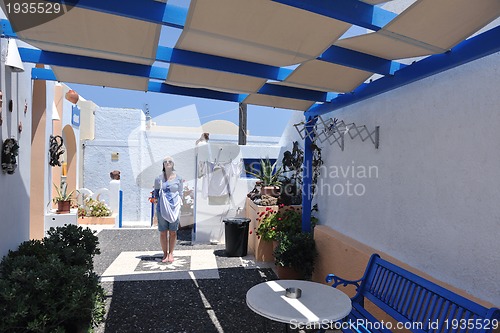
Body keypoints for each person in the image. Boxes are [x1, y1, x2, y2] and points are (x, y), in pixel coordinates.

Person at [153, 156, 183, 263]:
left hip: (174, 208)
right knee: (163, 232)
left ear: (173, 164)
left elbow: (180, 193)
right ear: (163, 165)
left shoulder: (178, 178)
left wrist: (178, 206)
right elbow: (156, 194)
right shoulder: (158, 178)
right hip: (162, 209)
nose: (167, 163)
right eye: (165, 162)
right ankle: (165, 254)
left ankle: (171, 253)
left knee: (173, 232)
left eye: (170, 161)